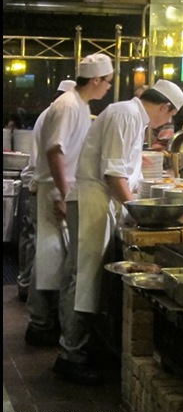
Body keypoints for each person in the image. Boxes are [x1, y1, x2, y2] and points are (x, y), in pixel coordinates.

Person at [53, 79, 183, 385]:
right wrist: (137, 211)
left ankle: (77, 349)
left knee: (81, 276)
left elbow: (123, 171)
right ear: (165, 107)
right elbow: (113, 173)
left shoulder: (131, 116)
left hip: (97, 201)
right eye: (170, 116)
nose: (166, 122)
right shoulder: (126, 114)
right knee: (82, 278)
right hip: (91, 200)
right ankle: (70, 356)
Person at [26, 55, 113, 348]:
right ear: (97, 79)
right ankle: (40, 324)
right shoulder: (67, 105)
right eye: (108, 82)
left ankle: (45, 322)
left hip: (64, 189)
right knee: (49, 256)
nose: (109, 88)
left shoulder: (80, 104)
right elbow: (55, 151)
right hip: (55, 190)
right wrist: (64, 194)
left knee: (54, 259)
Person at [17, 80, 76, 303]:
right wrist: (65, 193)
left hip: (40, 186)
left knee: (37, 248)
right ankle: (39, 316)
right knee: (43, 253)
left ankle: (28, 293)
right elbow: (55, 154)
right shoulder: (58, 113)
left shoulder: (51, 113)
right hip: (43, 189)